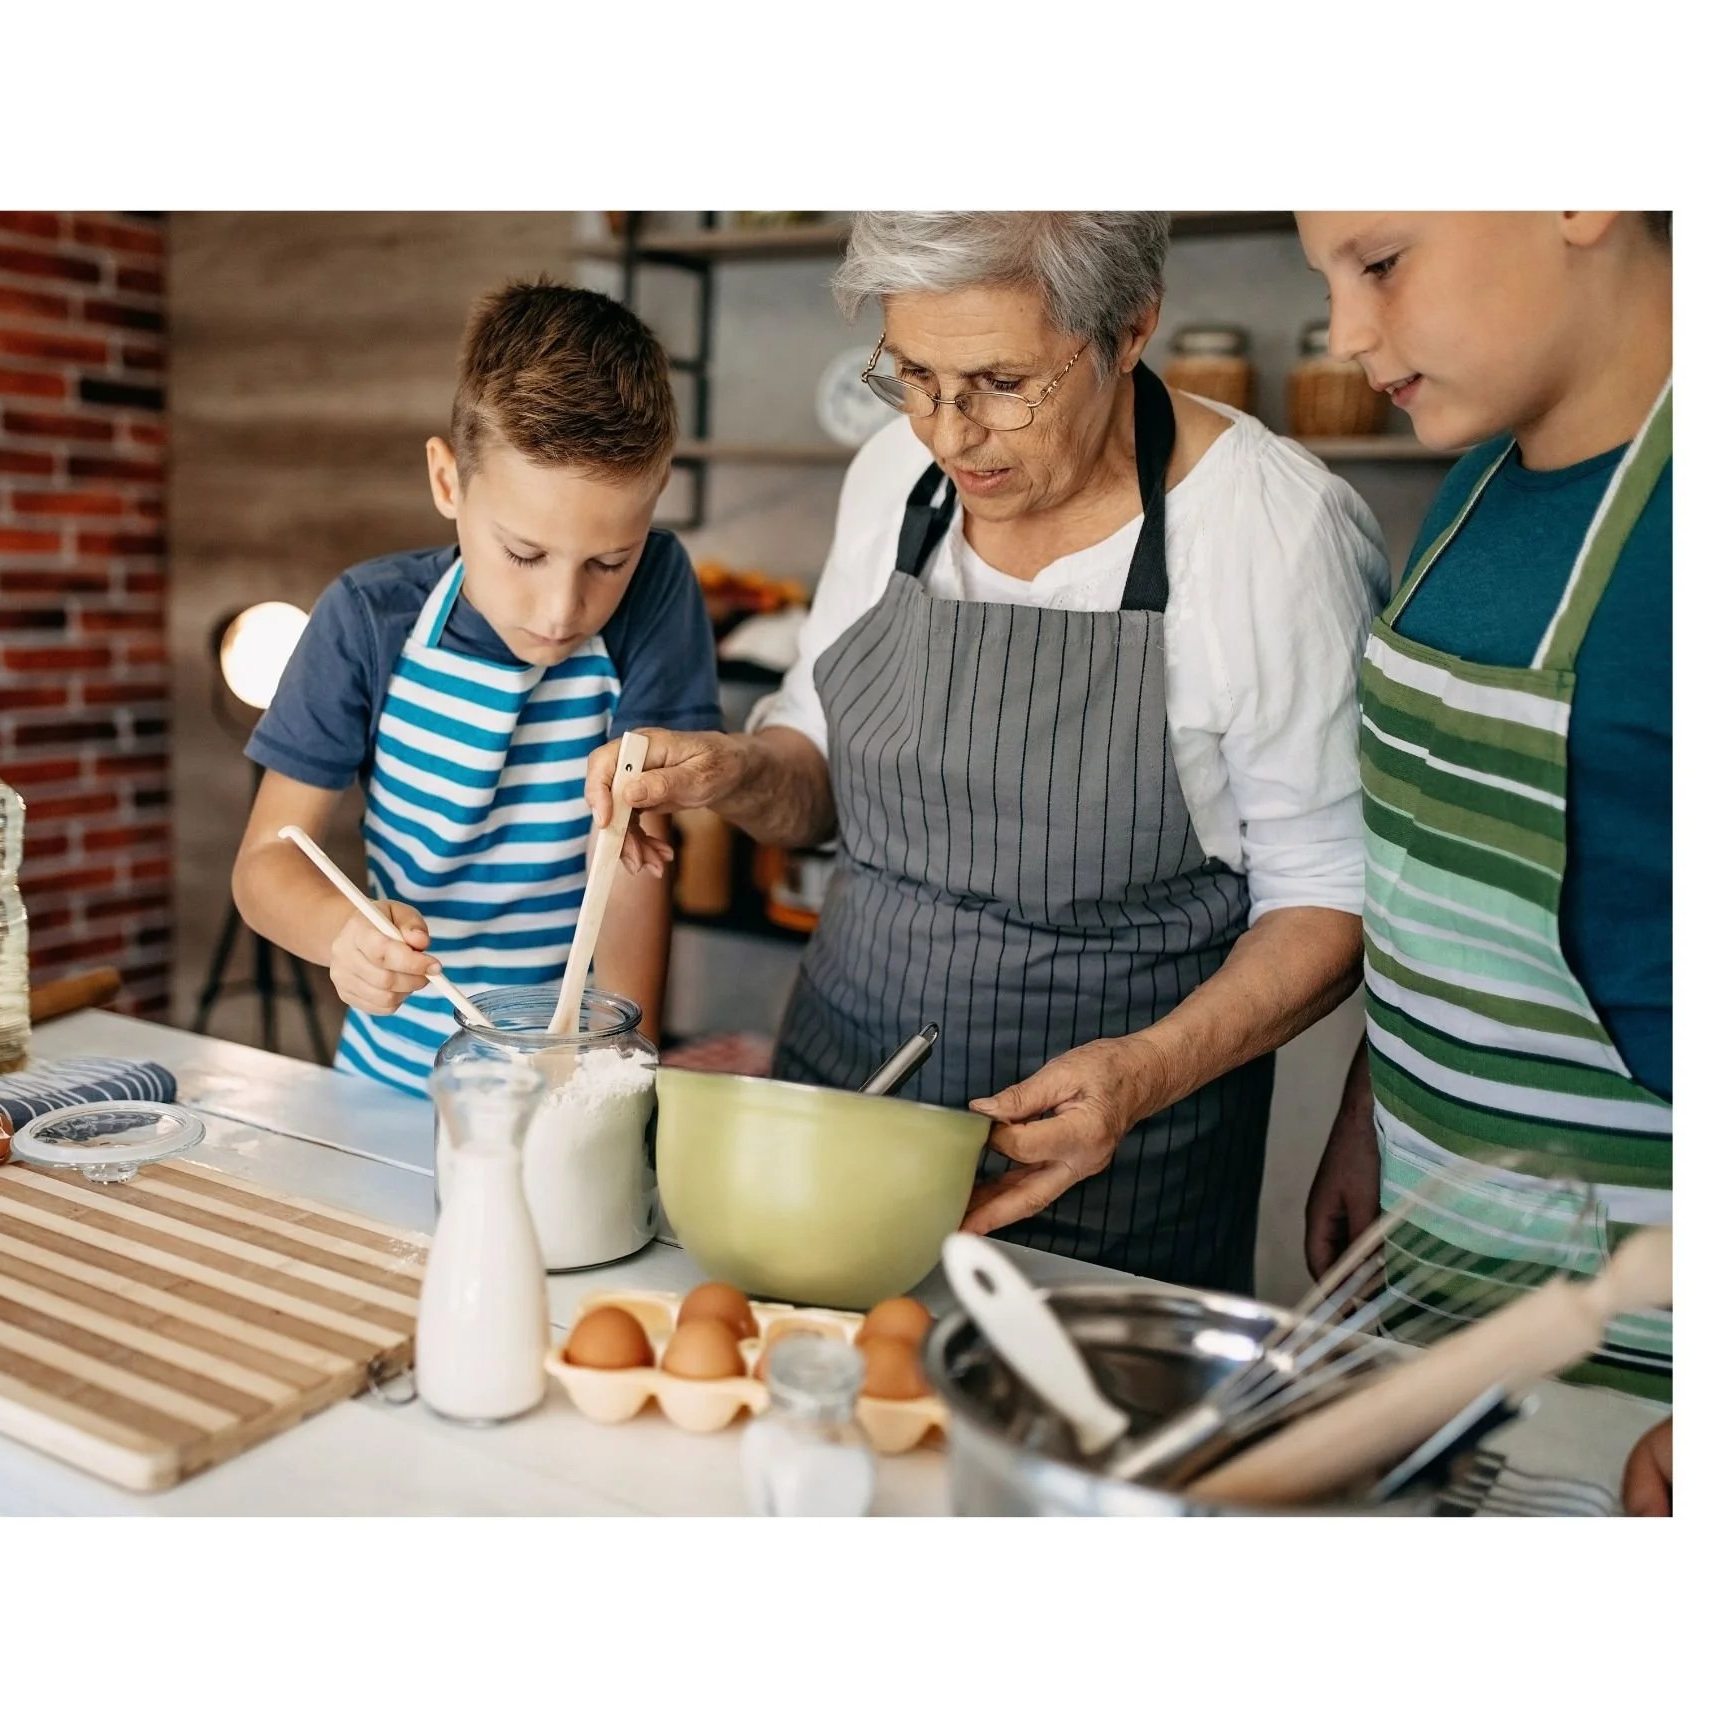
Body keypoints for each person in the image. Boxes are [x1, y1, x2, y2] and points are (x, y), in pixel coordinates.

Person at [589, 212, 1389, 1292]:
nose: (948, 434)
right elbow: (819, 771)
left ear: (1129, 330)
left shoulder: (1269, 531)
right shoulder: (891, 478)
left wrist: (1147, 1072)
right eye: (913, 376)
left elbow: (1330, 898)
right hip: (837, 1113)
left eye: (1001, 383)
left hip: (1103, 1177)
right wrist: (740, 773)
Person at [1293, 213, 1673, 1398]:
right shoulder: (1473, 487)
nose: (1348, 333)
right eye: (1330, 279)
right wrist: (1371, 1107)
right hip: (1444, 1276)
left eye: (1383, 263)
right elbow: (1437, 881)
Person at [231, 279, 721, 1094]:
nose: (563, 611)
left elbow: (632, 868)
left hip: (572, 1078)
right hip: (390, 1081)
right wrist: (340, 936)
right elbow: (263, 869)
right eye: (524, 554)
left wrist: (620, 1081)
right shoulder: (368, 619)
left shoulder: (657, 592)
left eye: (607, 561)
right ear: (448, 481)